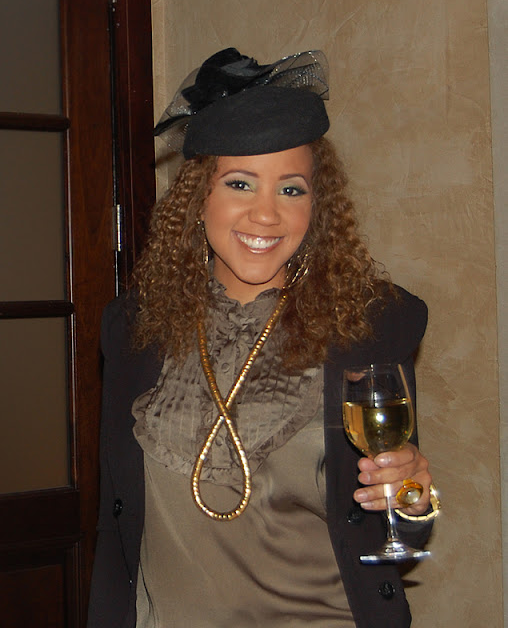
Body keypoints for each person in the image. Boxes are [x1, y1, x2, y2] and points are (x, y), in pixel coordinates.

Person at [87, 48, 439, 628]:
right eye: (241, 184)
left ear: (317, 205)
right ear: (198, 197)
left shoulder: (371, 324)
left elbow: (396, 521)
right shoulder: (133, 329)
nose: (267, 215)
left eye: (292, 190)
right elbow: (114, 525)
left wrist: (413, 496)